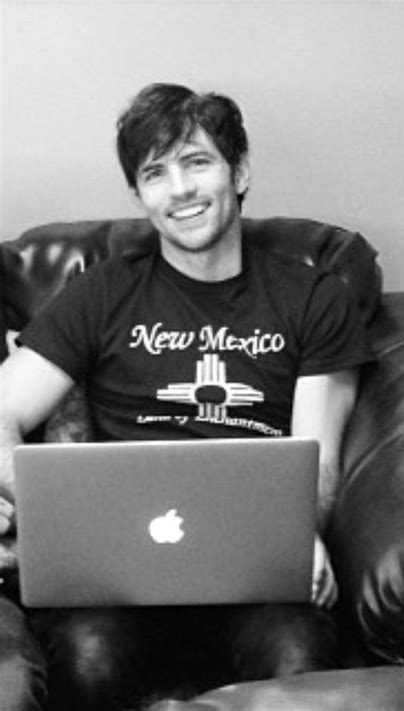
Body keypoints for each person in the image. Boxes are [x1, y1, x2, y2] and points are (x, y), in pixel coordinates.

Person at [0, 82, 373, 710]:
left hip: (256, 573)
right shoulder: (101, 293)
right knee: (91, 658)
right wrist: (16, 486)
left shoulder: (314, 297)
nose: (180, 191)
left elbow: (320, 459)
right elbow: (4, 406)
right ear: (140, 194)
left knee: (296, 654)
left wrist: (301, 529)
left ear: (240, 170)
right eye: (155, 173)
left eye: (197, 162)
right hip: (114, 572)